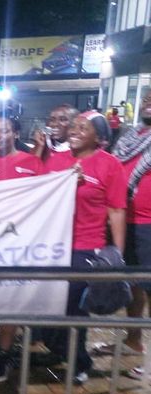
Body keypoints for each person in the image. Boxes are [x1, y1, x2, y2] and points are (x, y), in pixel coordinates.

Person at [41, 111, 127, 384]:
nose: (75, 131)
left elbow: (116, 210)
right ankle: (59, 349)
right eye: (74, 126)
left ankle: (80, 361)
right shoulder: (56, 161)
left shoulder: (109, 165)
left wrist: (117, 255)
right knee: (49, 306)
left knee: (74, 309)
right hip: (53, 244)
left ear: (99, 137)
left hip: (85, 247)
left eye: (84, 128)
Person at [0, 116, 43, 382]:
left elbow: (47, 197)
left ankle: (4, 352)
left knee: (10, 299)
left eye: (3, 130)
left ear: (15, 133)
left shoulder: (32, 163)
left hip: (17, 244)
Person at [99, 91, 151, 359]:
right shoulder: (131, 137)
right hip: (124, 219)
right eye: (147, 99)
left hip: (148, 224)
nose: (148, 103)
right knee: (133, 284)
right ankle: (134, 341)